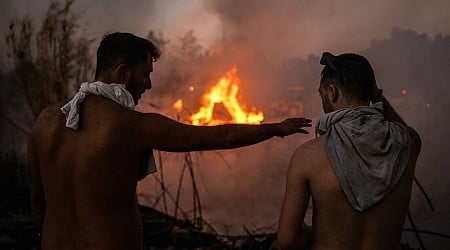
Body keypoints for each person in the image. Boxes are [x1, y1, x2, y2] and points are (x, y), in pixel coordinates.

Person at [27, 32, 312, 250]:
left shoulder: (44, 122)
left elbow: (38, 200)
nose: (148, 85)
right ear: (122, 73)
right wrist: (275, 128)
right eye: (145, 74)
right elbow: (220, 136)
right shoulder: (130, 126)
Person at [277, 52, 421, 250]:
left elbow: (287, 241)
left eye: (322, 93)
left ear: (333, 92)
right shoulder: (406, 145)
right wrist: (377, 94)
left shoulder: (307, 157)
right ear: (370, 91)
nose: (322, 100)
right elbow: (410, 133)